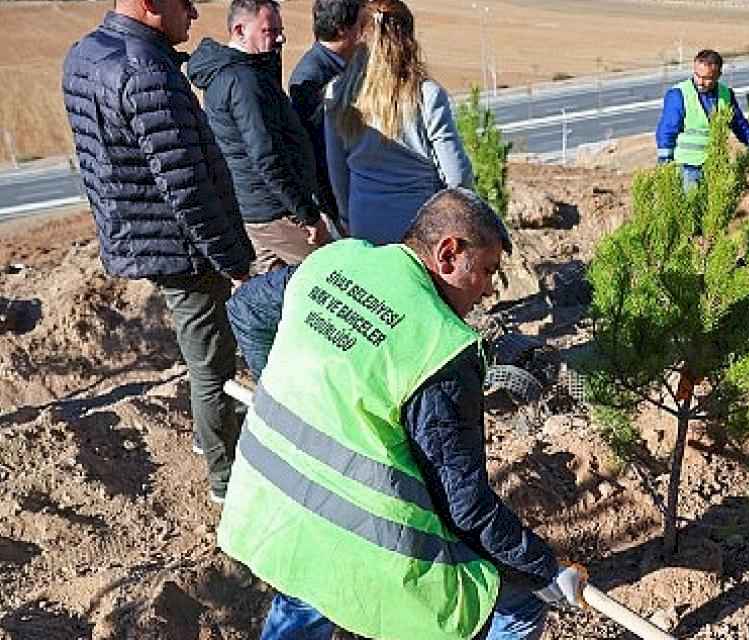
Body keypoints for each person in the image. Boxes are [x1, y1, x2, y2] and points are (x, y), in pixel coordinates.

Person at [219, 189, 588, 639]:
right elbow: (465, 507)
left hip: (270, 503)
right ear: (449, 252)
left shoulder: (334, 264)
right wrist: (545, 571)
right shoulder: (440, 347)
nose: (489, 288)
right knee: (520, 606)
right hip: (365, 544)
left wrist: (278, 387)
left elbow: (245, 308)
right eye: (487, 270)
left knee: (306, 585)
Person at [62, 0, 254, 503]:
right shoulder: (145, 72)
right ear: (150, 4)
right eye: (184, 3)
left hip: (144, 235)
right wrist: (234, 260)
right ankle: (226, 482)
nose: (192, 14)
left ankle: (210, 439)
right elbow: (187, 186)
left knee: (204, 357)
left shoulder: (85, 54)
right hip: (181, 247)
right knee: (211, 365)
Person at [188, 0, 330, 274]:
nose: (280, 38)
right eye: (269, 30)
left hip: (256, 211)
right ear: (240, 30)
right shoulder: (244, 82)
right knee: (332, 276)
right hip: (277, 213)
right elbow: (267, 157)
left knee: (274, 298)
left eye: (280, 30)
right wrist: (308, 215)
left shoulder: (231, 74)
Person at [325, 0, 473, 245]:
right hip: (421, 227)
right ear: (408, 40)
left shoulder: (337, 94)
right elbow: (457, 175)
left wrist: (347, 218)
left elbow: (338, 172)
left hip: (365, 223)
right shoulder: (426, 95)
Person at [655, 49, 749, 189]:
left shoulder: (725, 95)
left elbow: (741, 126)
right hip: (687, 168)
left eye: (707, 78)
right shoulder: (679, 94)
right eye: (697, 75)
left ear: (718, 75)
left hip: (716, 166)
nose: (700, 82)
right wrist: (665, 162)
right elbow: (667, 130)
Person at [289, 0, 366, 222]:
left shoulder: (352, 60)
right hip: (339, 196)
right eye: (361, 24)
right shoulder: (311, 78)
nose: (365, 31)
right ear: (343, 29)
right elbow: (317, 152)